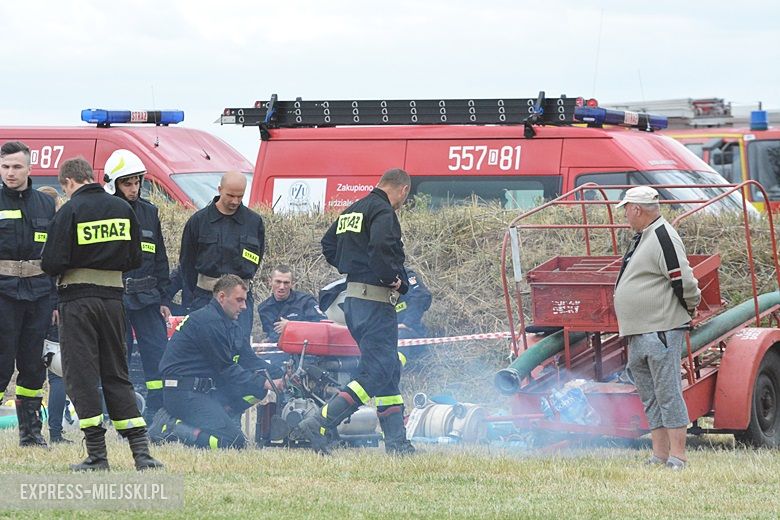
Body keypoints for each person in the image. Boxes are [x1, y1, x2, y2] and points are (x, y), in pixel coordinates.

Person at [41, 157, 163, 471]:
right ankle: (142, 454)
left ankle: (97, 455)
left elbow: (51, 262)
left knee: (81, 376)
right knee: (117, 374)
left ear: (68, 182)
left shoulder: (69, 211)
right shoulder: (124, 210)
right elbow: (136, 257)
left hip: (78, 302)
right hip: (114, 301)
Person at [299, 168, 415, 455]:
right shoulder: (383, 212)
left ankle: (397, 443)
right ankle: (320, 422)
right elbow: (381, 247)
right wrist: (393, 279)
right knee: (376, 370)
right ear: (402, 190)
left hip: (353, 301)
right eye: (404, 197)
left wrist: (350, 264)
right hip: (376, 302)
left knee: (387, 368)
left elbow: (328, 244)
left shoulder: (355, 209)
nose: (401, 203)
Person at [613, 186, 701, 470]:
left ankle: (678, 457)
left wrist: (688, 308)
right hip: (640, 330)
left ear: (637, 209)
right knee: (651, 396)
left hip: (660, 329)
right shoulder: (646, 236)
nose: (625, 215)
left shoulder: (663, 234)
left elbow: (683, 279)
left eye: (626, 209)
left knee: (667, 393)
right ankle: (660, 455)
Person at [150, 274, 282, 449]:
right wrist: (266, 382)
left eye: (245, 301)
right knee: (234, 443)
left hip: (204, 390)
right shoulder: (208, 322)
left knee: (256, 388)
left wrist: (279, 374)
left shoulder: (229, 323)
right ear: (221, 297)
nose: (244, 306)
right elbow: (226, 369)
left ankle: (224, 418)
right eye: (239, 300)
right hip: (183, 394)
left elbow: (249, 359)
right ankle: (171, 427)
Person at [103, 149, 171, 423]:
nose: (134, 189)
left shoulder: (149, 212)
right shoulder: (105, 211)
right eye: (127, 183)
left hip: (147, 298)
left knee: (156, 354)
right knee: (118, 357)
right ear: (114, 184)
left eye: (137, 182)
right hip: (116, 297)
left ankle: (156, 410)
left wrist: (165, 297)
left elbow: (161, 257)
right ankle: (116, 412)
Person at [0, 141, 56, 447]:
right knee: (0, 365)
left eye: (17, 166)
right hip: (3, 296)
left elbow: (57, 257)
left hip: (38, 297)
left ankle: (31, 434)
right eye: (6, 166)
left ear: (30, 168)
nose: (11, 173)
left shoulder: (46, 205)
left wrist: (56, 301)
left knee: (33, 367)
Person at [179, 171, 264, 349]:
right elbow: (187, 264)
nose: (235, 201)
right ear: (219, 190)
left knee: (238, 350)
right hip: (206, 298)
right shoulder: (199, 221)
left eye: (240, 196)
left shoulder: (253, 222)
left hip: (240, 300)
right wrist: (193, 298)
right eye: (230, 195)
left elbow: (256, 258)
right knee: (203, 350)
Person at [37, 185, 72, 444]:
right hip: (52, 310)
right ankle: (55, 433)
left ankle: (35, 428)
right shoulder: (59, 234)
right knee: (57, 374)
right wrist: (56, 305)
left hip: (29, 309)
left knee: (34, 374)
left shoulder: (29, 233)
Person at [257, 264, 326, 342]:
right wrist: (267, 342)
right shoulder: (264, 308)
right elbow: (272, 334)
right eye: (278, 282)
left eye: (286, 283)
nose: (282, 287)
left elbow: (322, 327)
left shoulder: (306, 301)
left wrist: (292, 326)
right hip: (277, 351)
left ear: (292, 283)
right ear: (270, 282)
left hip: (305, 349)